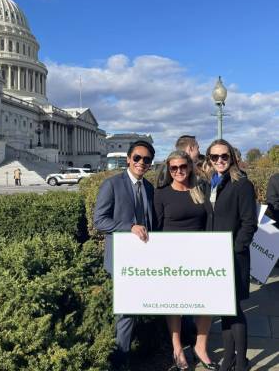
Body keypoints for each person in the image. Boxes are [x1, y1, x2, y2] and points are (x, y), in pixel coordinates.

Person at [94, 140, 156, 370]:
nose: (141, 162)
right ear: (129, 159)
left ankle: (135, 349)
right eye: (137, 158)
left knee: (139, 308)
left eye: (146, 160)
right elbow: (99, 221)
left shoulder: (149, 187)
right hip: (122, 259)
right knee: (127, 312)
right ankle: (121, 361)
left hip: (145, 259)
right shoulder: (111, 184)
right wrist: (129, 226)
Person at [154, 150, 219, 371]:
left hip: (201, 254)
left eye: (183, 167)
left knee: (206, 302)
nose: (179, 171)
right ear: (169, 170)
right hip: (172, 256)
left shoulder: (200, 190)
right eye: (174, 168)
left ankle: (201, 347)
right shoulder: (161, 194)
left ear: (190, 167)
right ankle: (177, 347)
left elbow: (210, 220)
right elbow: (157, 226)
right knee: (175, 304)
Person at [204, 139, 258, 371]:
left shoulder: (241, 183)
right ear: (209, 159)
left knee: (234, 309)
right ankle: (229, 359)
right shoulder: (210, 183)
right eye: (214, 157)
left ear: (232, 157)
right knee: (225, 308)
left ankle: (241, 362)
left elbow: (249, 223)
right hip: (214, 256)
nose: (219, 161)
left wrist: (234, 249)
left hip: (233, 257)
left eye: (224, 156)